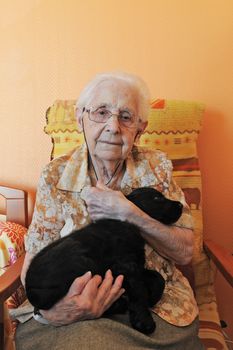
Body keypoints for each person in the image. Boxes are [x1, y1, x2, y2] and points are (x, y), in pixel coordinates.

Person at [16, 72, 204, 349]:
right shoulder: (56, 175)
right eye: (101, 112)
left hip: (152, 304)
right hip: (74, 304)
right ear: (80, 118)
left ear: (140, 129)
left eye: (126, 117)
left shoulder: (156, 167)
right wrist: (52, 311)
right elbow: (33, 258)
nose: (113, 127)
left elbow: (187, 252)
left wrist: (129, 213)